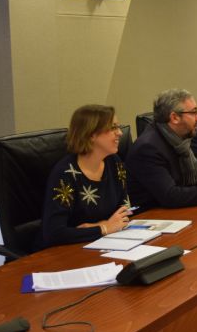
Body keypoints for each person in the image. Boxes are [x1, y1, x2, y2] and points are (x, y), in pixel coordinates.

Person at [39, 105, 131, 248]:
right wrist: (103, 228)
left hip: (104, 244)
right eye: (113, 128)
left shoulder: (114, 163)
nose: (119, 133)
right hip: (64, 254)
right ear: (91, 134)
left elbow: (124, 212)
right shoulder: (65, 174)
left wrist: (99, 226)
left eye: (118, 127)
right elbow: (53, 233)